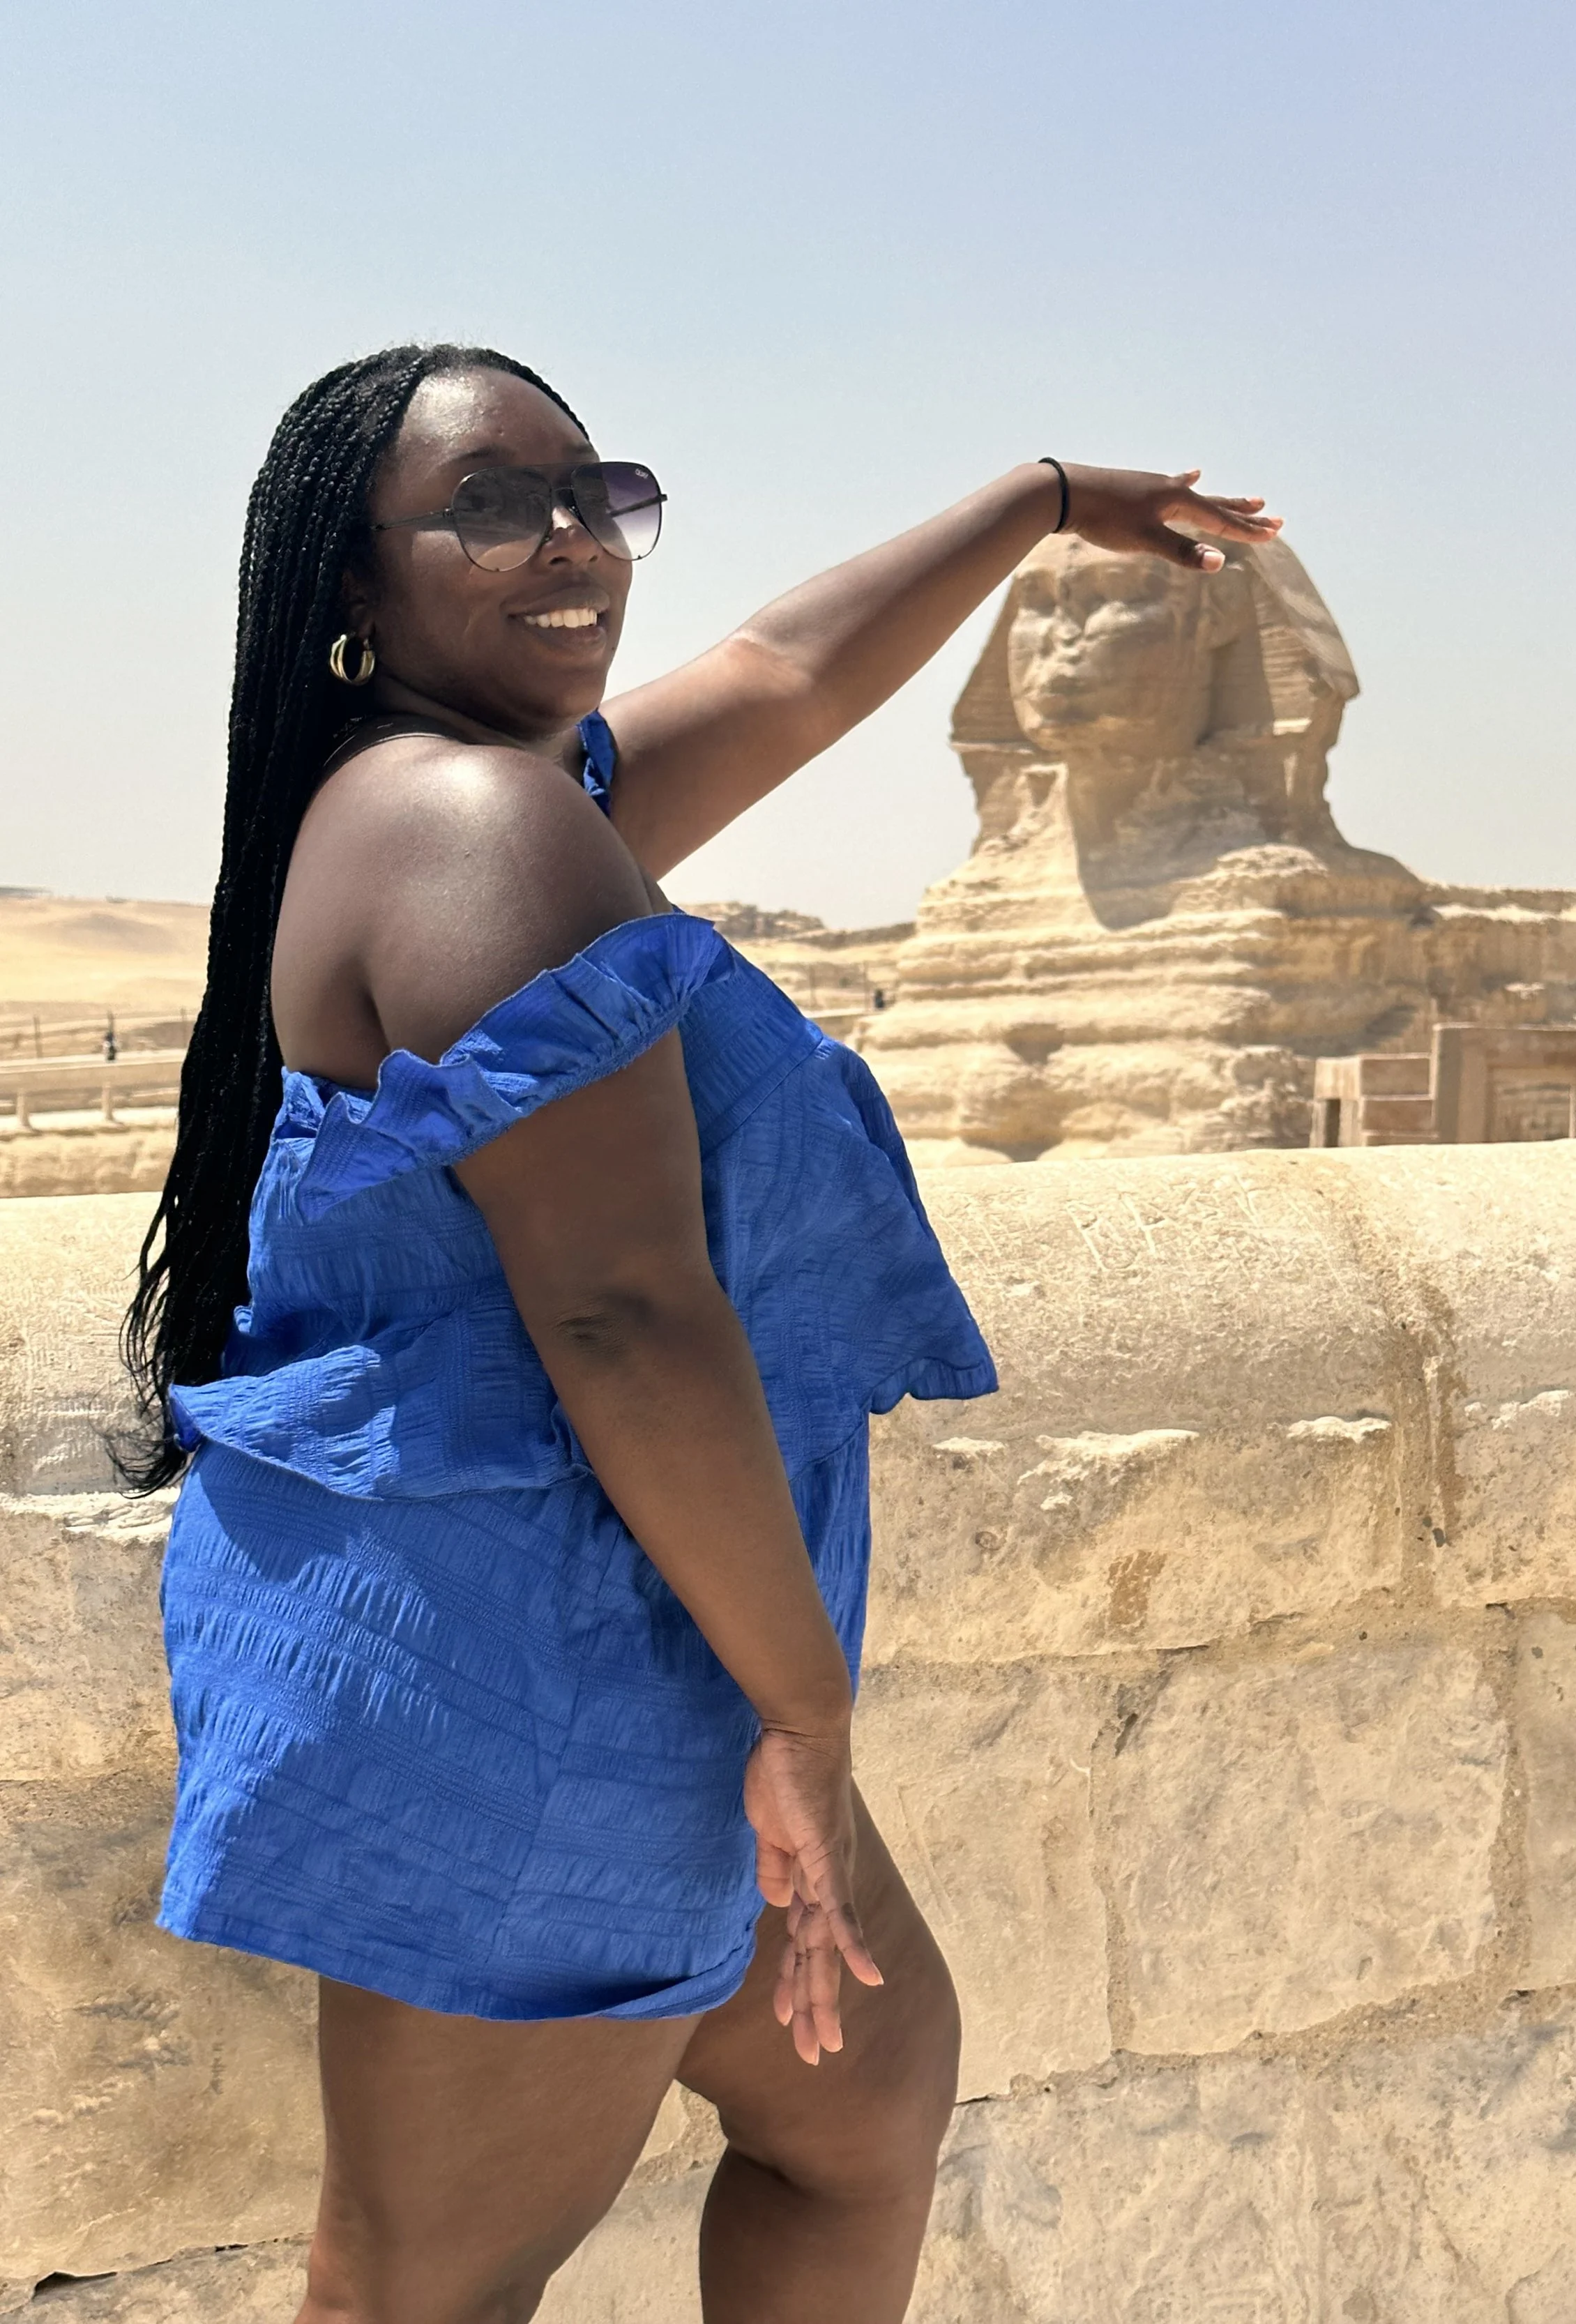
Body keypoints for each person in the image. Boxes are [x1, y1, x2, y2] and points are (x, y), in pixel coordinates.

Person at [121, 342, 1281, 2324]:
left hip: (609, 1636)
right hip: (530, 1678)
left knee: (863, 2096)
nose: (571, 537)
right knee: (423, 2290)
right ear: (351, 580)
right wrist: (809, 1715)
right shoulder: (479, 834)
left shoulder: (499, 800)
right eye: (491, 504)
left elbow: (781, 673)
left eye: (599, 490)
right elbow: (621, 1312)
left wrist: (1031, 501)